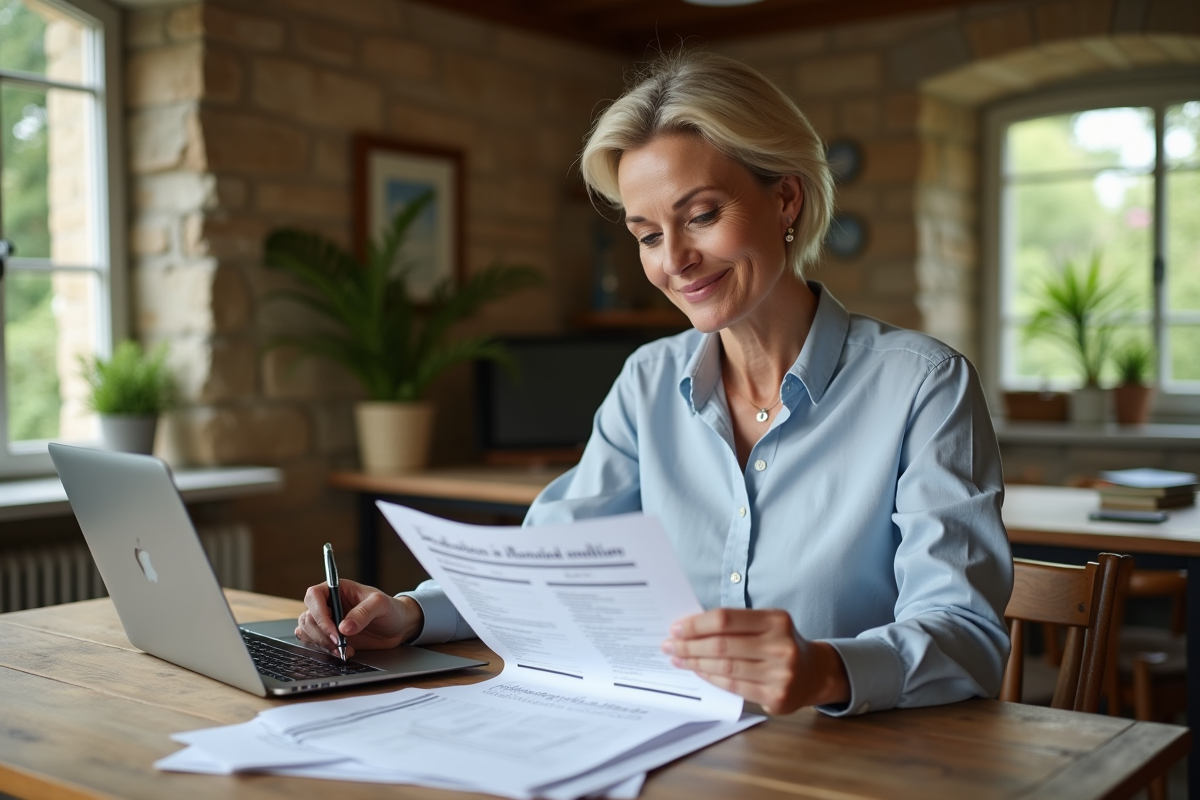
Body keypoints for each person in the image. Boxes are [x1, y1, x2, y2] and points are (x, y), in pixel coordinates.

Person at [297, 51, 1013, 717]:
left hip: (855, 764)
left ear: (787, 200)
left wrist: (827, 670)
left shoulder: (925, 387)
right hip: (670, 744)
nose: (676, 261)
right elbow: (550, 559)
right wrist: (412, 613)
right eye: (645, 234)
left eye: (701, 215)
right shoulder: (649, 380)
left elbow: (967, 639)